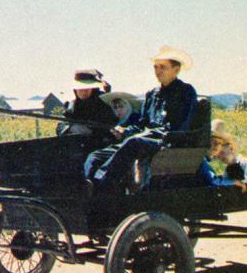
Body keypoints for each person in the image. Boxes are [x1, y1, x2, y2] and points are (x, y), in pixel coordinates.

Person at [84, 46, 198, 193]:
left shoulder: (185, 92)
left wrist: (138, 135)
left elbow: (177, 127)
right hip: (142, 140)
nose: (158, 71)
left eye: (163, 67)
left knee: (133, 142)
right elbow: (141, 123)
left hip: (167, 141)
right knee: (96, 155)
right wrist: (125, 131)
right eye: (156, 67)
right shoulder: (152, 94)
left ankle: (101, 184)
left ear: (176, 70)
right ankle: (86, 186)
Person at [56, 70, 117, 146]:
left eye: (87, 88)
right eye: (80, 88)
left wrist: (92, 131)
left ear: (93, 88)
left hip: (101, 145)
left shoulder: (104, 103)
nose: (83, 91)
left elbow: (111, 126)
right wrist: (71, 128)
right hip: (78, 146)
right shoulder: (72, 105)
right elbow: (61, 125)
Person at [198, 119, 247, 192]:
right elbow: (224, 182)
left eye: (222, 153)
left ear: (231, 148)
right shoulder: (228, 168)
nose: (220, 157)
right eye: (218, 156)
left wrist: (237, 184)